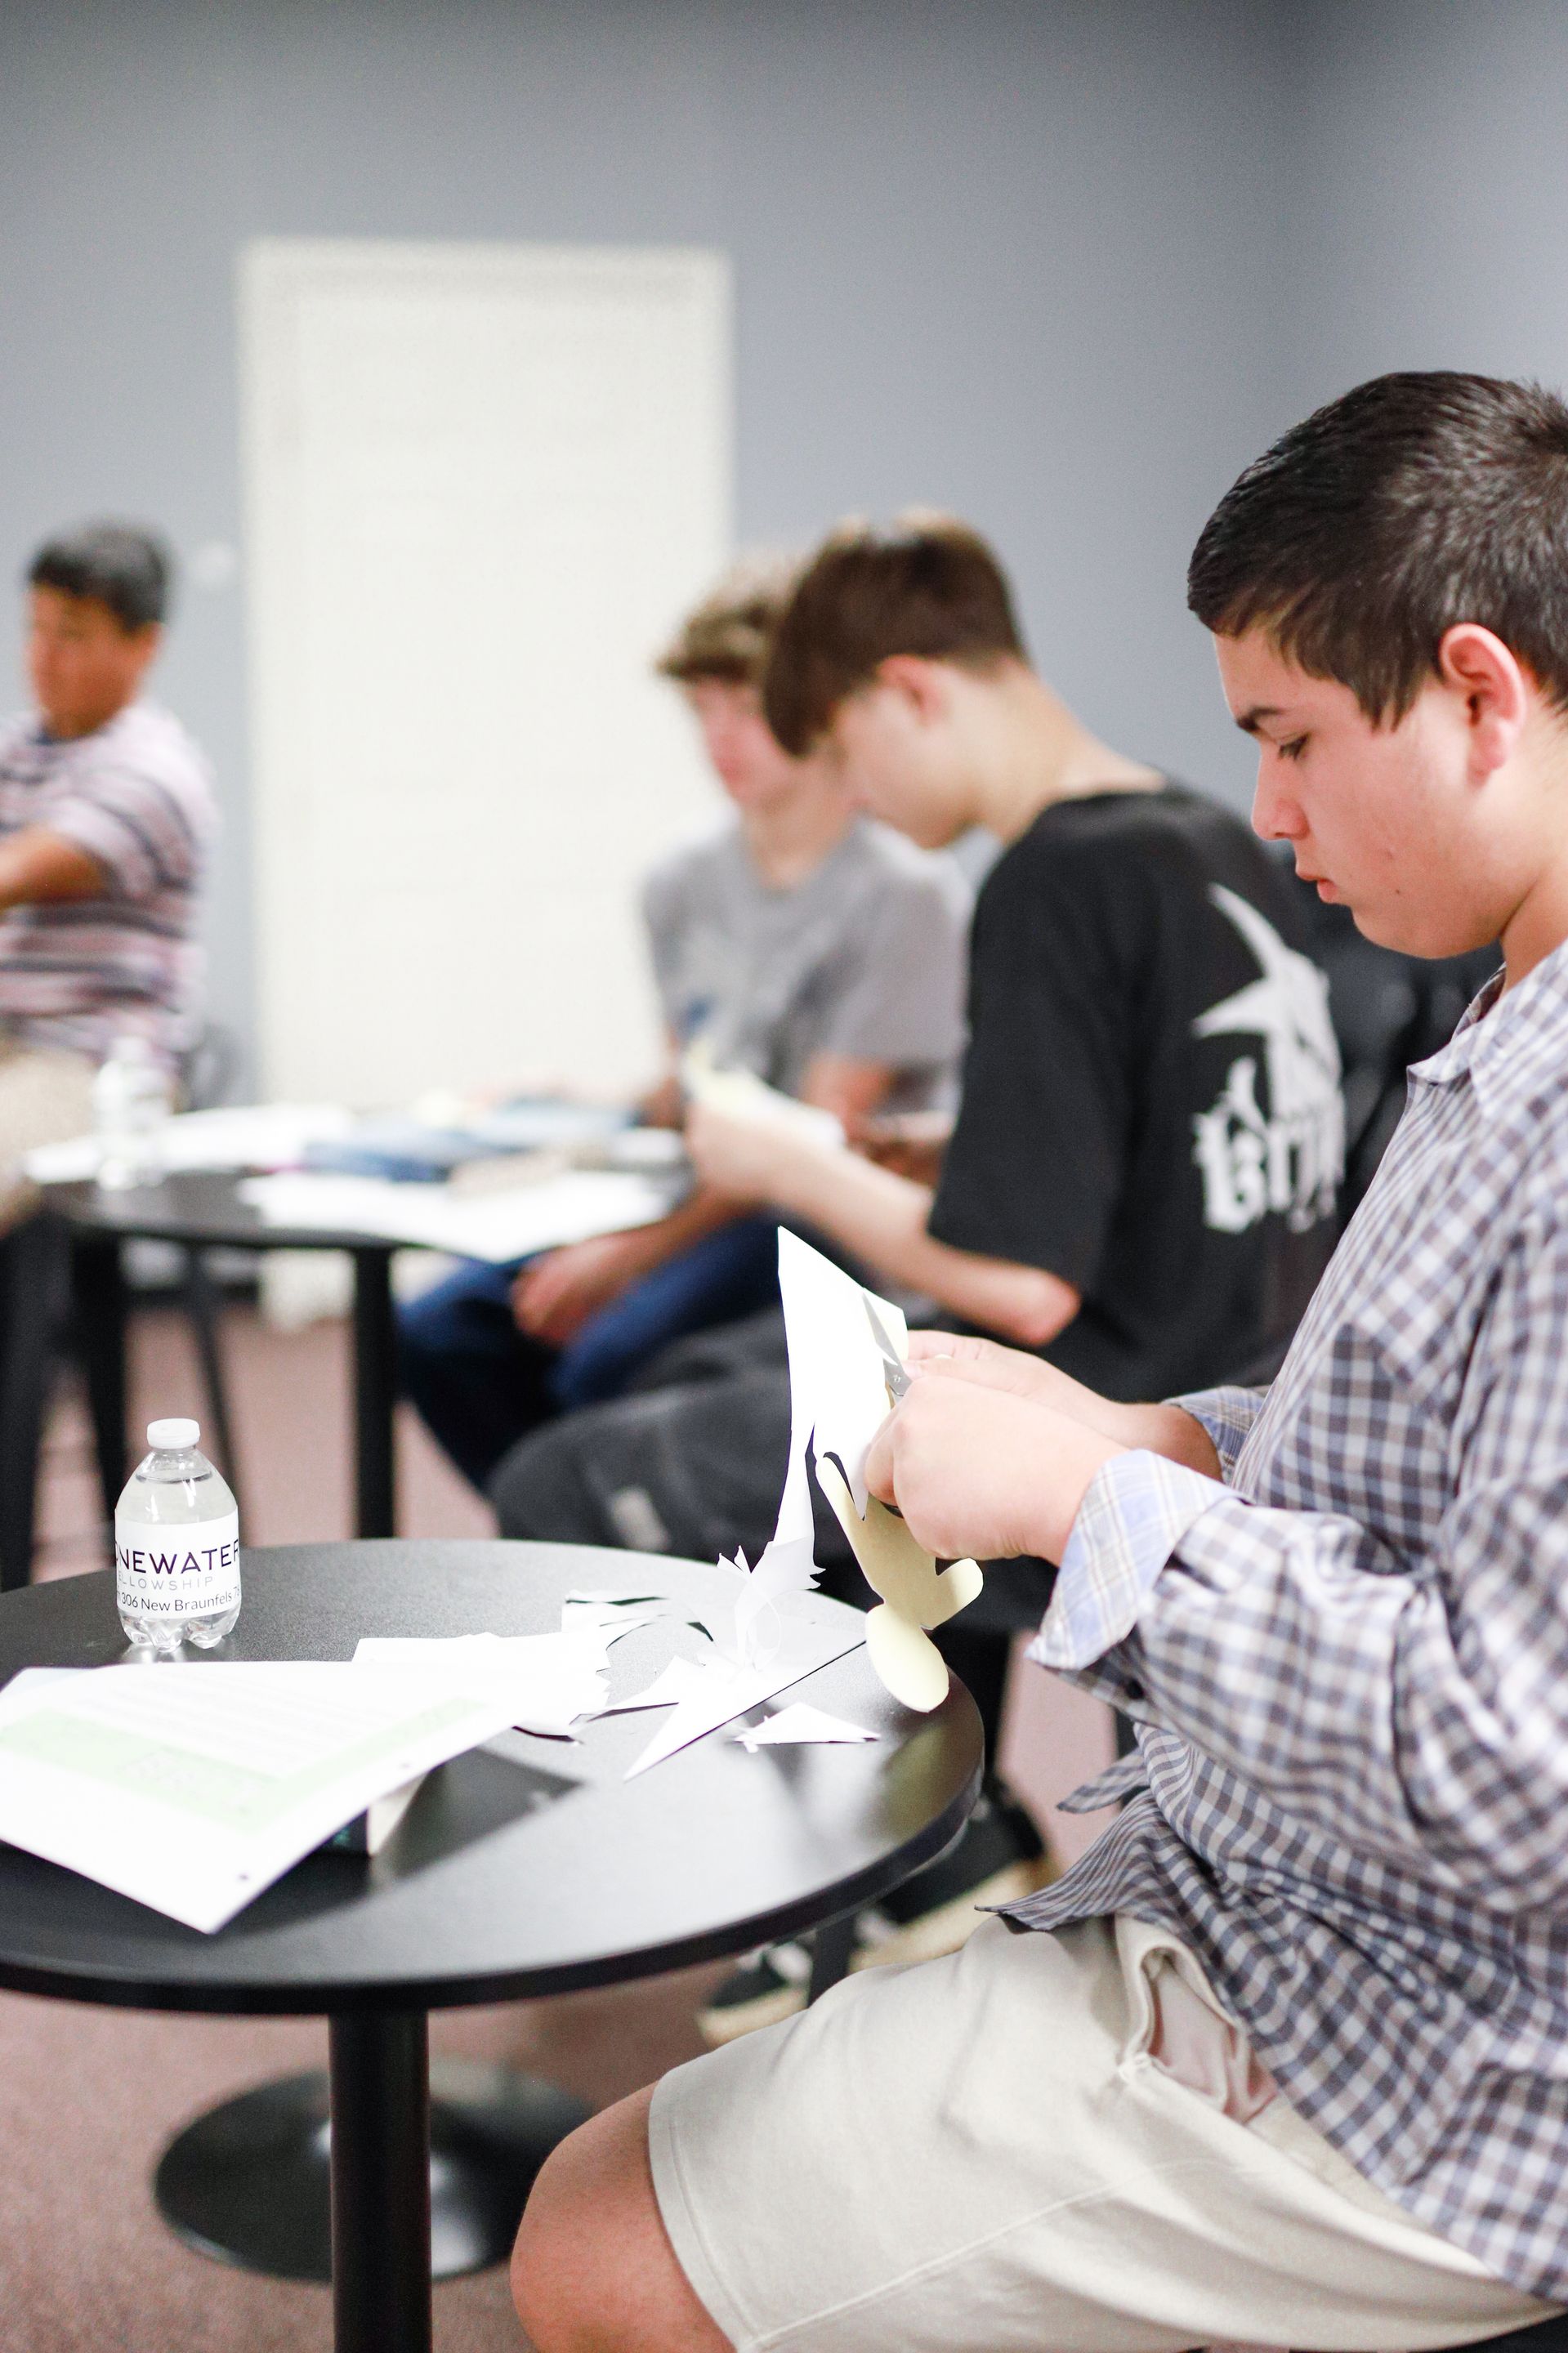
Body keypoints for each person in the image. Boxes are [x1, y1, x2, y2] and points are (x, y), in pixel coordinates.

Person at [510, 371, 1568, 2353]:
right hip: (1261, 1862)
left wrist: (1105, 1498)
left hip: (1437, 2042)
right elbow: (1422, 1429)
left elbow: (1522, 1760)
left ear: (1481, 693)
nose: (1266, 808)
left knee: (587, 2240)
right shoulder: (1497, 1005)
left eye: (1293, 740)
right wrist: (1160, 1426)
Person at [492, 516, 1345, 2034]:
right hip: (1248, 1377)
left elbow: (1017, 1288)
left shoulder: (1047, 882)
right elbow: (1149, 1144)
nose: (866, 798)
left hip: (1105, 1422)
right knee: (708, 1379)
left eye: (852, 751)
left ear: (910, 693)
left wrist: (789, 1159)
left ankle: (832, 1872)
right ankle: (943, 1850)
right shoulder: (1210, 837)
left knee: (573, 1471)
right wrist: (929, 1149)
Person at [399, 556, 970, 1496]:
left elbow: (804, 1141)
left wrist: (622, 1259)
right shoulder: (679, 882)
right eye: (702, 710)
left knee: (603, 1363)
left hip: (830, 1222)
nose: (721, 739)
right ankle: (581, 1536)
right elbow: (693, 1092)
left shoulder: (904, 893)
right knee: (441, 1334)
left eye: (743, 707)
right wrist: (561, 1108)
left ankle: (607, 1527)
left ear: (817, 705)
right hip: (708, 1194)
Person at [0, 521, 214, 1226]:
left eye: (72, 635)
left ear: (143, 645)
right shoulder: (19, 748)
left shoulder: (155, 771)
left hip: (90, 1066)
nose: (43, 657)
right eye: (35, 629)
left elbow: (14, 875)